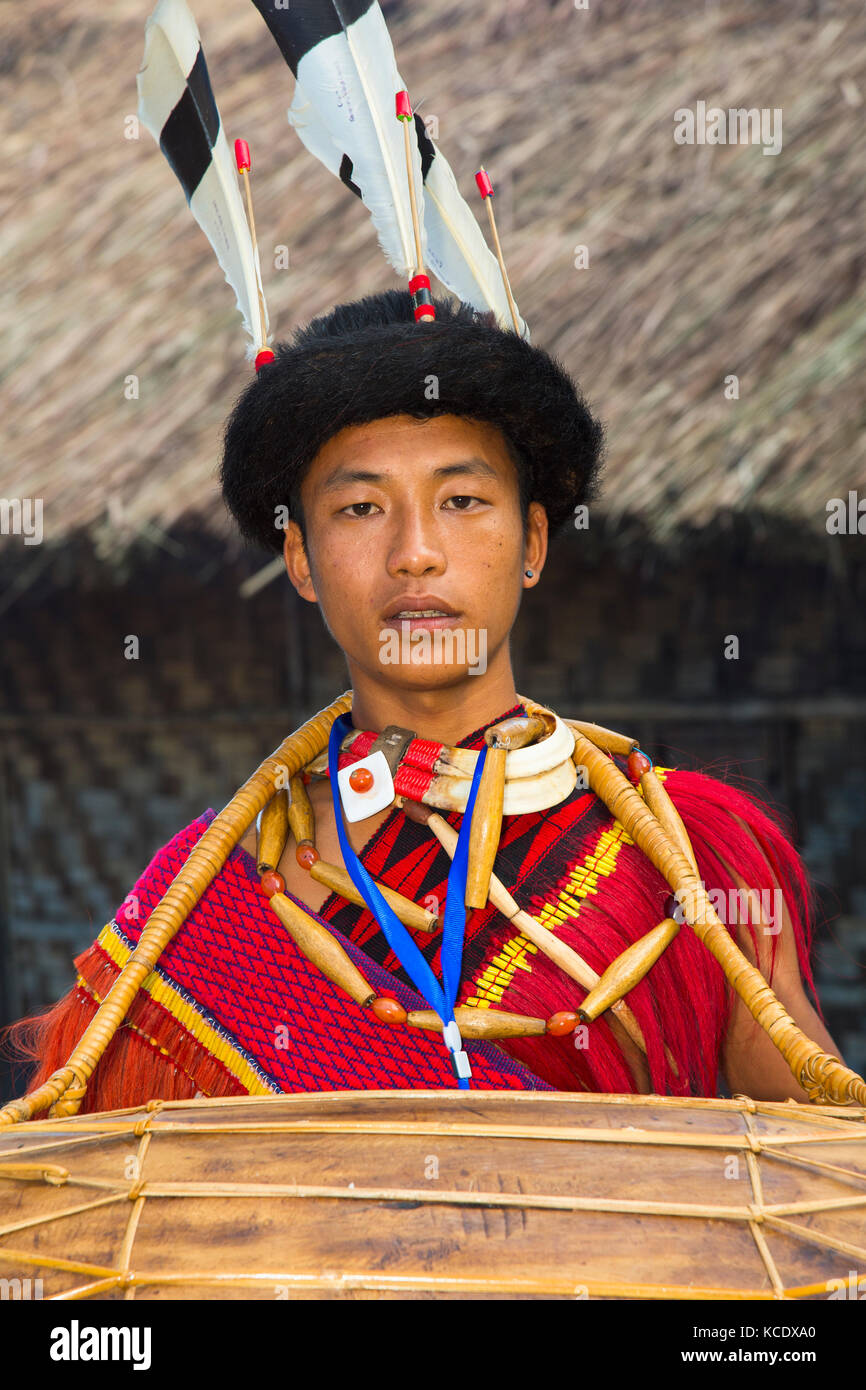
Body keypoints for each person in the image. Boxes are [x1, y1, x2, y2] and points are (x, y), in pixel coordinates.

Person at [4, 289, 844, 1114]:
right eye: (362, 507)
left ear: (534, 541)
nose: (415, 553)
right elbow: (91, 1204)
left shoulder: (684, 863)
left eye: (463, 501)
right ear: (300, 558)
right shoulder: (204, 904)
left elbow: (822, 1188)